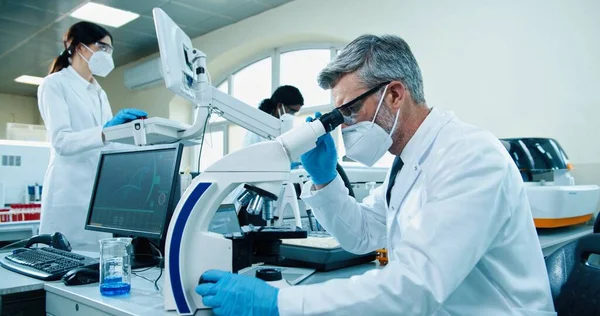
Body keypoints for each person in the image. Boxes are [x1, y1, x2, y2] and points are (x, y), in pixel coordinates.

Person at [195, 35, 556, 315]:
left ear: (395, 95)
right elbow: (364, 233)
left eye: (349, 111)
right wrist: (324, 179)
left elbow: (416, 289)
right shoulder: (407, 162)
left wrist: (281, 304)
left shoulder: (469, 156)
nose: (343, 126)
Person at [38, 22, 147, 246]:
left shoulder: (99, 92)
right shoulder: (54, 85)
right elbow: (61, 141)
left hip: (98, 196)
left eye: (110, 50)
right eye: (102, 47)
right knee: (63, 264)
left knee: (97, 264)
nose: (107, 55)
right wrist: (106, 131)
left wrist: (146, 143)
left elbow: (107, 144)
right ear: (78, 47)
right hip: (69, 195)